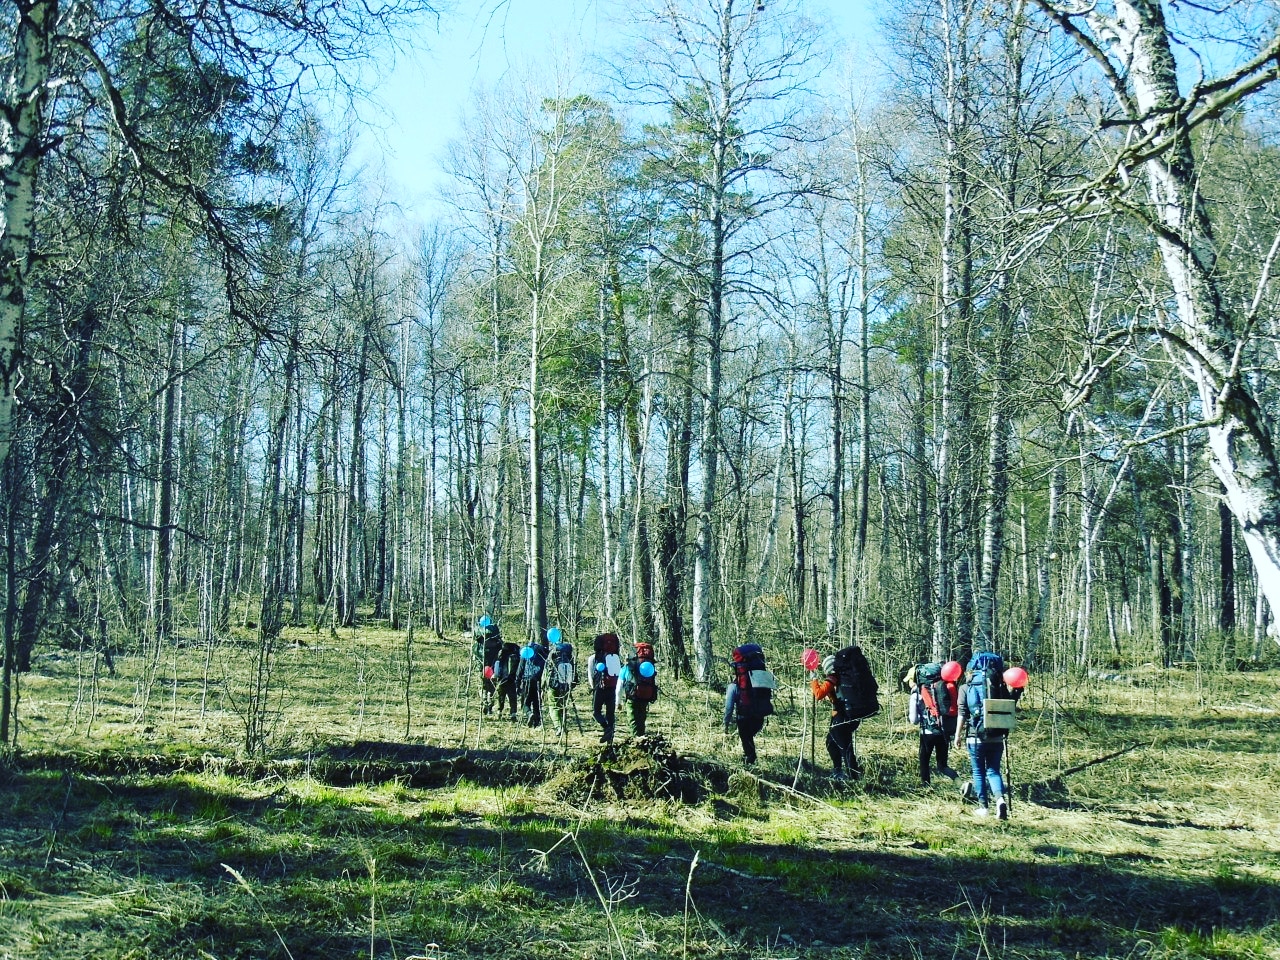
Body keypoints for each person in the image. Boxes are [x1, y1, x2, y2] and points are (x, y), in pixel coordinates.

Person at [954, 652, 1017, 819]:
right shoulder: (1000, 687)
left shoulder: (965, 688)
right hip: (997, 736)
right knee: (994, 771)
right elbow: (1009, 708)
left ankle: (983, 807)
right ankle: (1000, 801)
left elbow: (962, 713)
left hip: (975, 737)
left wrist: (957, 736)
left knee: (978, 771)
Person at [810, 653, 867, 780]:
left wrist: (813, 680)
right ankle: (838, 771)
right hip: (849, 716)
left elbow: (819, 694)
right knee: (831, 743)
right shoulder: (844, 678)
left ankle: (853, 778)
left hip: (842, 718)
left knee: (845, 748)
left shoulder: (833, 679)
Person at [722, 644, 775, 765]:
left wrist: (726, 724)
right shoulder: (760, 678)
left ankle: (750, 766)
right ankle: (749, 759)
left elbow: (729, 708)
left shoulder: (733, 686)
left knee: (747, 743)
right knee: (749, 741)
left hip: (744, 717)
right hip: (759, 716)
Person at [906, 663, 957, 785]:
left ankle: (926, 786)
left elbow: (913, 720)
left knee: (924, 761)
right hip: (944, 730)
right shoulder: (942, 687)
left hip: (927, 733)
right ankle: (959, 782)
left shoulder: (916, 694)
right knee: (942, 765)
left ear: (914, 680)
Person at [615, 641, 658, 736]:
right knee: (641, 720)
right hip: (645, 696)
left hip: (632, 698)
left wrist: (618, 702)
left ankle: (636, 741)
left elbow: (619, 687)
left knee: (633, 721)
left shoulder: (627, 667)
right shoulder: (650, 666)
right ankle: (642, 738)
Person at [586, 632, 622, 743]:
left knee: (596, 712)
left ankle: (606, 728)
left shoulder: (593, 658)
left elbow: (591, 674)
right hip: (613, 687)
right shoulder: (615, 657)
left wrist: (593, 687)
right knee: (610, 714)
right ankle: (610, 740)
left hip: (600, 688)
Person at [518, 636, 550, 728]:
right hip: (538, 682)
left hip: (526, 681)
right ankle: (537, 722)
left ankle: (529, 714)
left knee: (525, 703)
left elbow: (520, 669)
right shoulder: (542, 655)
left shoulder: (525, 654)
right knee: (537, 703)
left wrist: (517, 682)